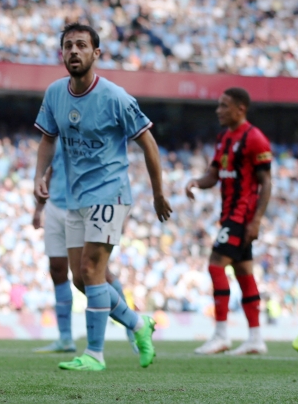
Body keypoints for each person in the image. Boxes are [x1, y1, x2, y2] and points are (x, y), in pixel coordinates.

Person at [33, 23, 172, 372]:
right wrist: (38, 176)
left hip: (110, 193)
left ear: (97, 53)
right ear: (61, 53)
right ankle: (140, 324)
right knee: (81, 279)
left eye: (81, 45)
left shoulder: (116, 98)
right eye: (68, 46)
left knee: (93, 270)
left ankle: (94, 354)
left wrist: (158, 193)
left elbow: (148, 142)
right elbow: (48, 138)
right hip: (76, 197)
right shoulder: (54, 94)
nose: (74, 51)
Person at [186, 88, 273, 355]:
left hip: (241, 216)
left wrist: (256, 220)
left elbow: (266, 183)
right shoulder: (224, 137)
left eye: (224, 106)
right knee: (244, 273)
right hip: (229, 214)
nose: (218, 110)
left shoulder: (255, 139)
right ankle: (256, 338)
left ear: (240, 109)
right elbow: (214, 175)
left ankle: (221, 334)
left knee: (215, 266)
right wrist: (196, 183)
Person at [32, 146, 137, 355]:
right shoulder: (59, 132)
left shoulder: (88, 134)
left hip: (84, 207)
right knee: (57, 269)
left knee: (95, 273)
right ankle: (65, 338)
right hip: (55, 205)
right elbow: (50, 171)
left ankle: (132, 327)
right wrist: (39, 208)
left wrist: (121, 213)